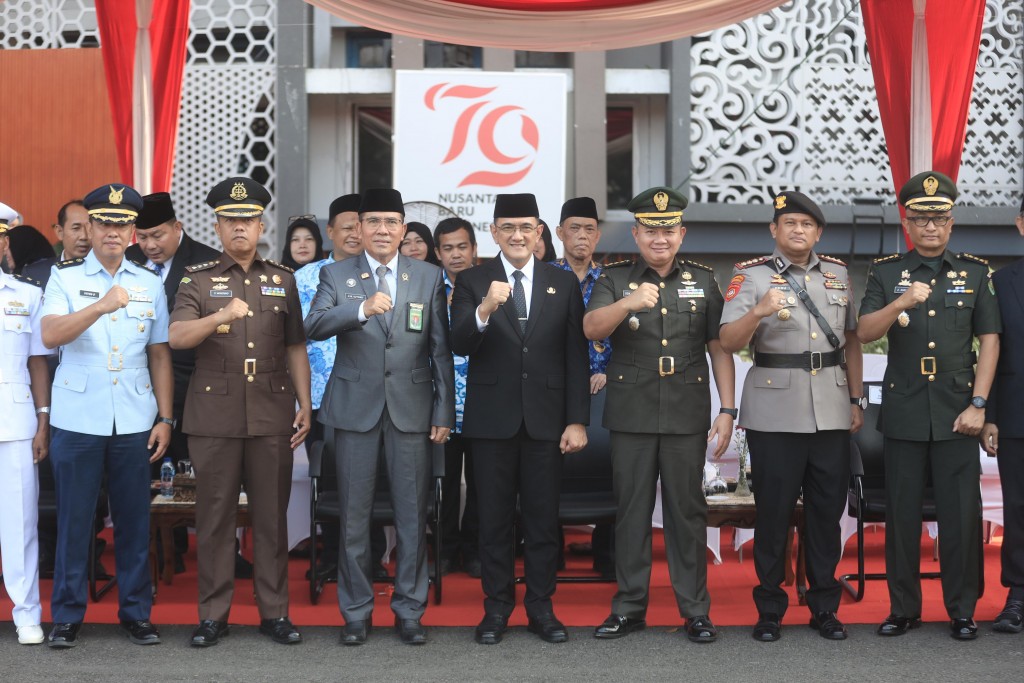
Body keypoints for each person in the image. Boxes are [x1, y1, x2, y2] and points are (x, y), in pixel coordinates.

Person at [584, 186, 733, 644]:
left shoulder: (704, 280)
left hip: (687, 409)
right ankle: (629, 608)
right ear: (636, 234)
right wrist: (627, 303)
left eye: (668, 230)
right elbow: (591, 328)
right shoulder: (614, 279)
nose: (660, 238)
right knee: (631, 511)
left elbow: (719, 348)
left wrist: (728, 409)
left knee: (687, 512)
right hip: (632, 410)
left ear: (681, 234)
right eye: (651, 230)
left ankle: (696, 611)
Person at [305, 188, 454, 646]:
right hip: (355, 409)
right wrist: (359, 309)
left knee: (412, 516)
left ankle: (410, 610)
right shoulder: (335, 273)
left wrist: (444, 410)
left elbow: (439, 349)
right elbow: (313, 325)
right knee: (354, 517)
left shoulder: (428, 275)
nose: (383, 230)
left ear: (403, 228)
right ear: (359, 227)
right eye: (373, 221)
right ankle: (356, 612)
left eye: (392, 222)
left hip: (412, 408)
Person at [169, 177, 312, 648]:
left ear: (261, 225)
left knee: (271, 518)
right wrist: (217, 317)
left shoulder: (282, 279)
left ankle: (275, 613)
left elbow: (295, 346)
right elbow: (177, 338)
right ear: (216, 226)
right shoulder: (197, 278)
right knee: (215, 519)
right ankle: (213, 615)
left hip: (272, 411)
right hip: (214, 415)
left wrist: (306, 403)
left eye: (248, 219)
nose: (239, 228)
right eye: (230, 220)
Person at [858, 171, 1001, 641]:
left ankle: (962, 609)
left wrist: (979, 404)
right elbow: (865, 332)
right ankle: (904, 608)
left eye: (939, 218)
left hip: (959, 410)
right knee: (901, 515)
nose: (931, 227)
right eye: (921, 219)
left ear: (951, 222)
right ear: (907, 223)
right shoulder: (886, 272)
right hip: (904, 410)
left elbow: (990, 340)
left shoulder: (975, 273)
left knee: (961, 514)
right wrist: (901, 300)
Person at [719, 191, 864, 642]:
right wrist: (759, 311)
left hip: (832, 411)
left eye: (807, 224)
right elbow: (728, 341)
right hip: (774, 412)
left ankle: (824, 607)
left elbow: (852, 340)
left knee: (826, 514)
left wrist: (856, 399)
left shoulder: (838, 274)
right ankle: (769, 608)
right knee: (773, 514)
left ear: (818, 232)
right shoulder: (750, 276)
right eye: (789, 223)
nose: (798, 230)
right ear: (774, 229)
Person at [451, 193, 590, 646]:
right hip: (491, 422)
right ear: (493, 232)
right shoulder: (473, 280)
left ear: (539, 233)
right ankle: (496, 608)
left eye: (526, 227)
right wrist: (485, 309)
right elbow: (458, 342)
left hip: (547, 422)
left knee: (542, 520)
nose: (517, 235)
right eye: (507, 227)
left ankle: (541, 608)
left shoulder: (561, 282)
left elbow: (575, 355)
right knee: (492, 521)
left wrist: (577, 419)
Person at [40, 183, 173, 648]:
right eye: (104, 223)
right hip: (78, 416)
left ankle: (136, 613)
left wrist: (166, 417)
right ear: (90, 229)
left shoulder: (149, 282)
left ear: (132, 230)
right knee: (75, 520)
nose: (113, 232)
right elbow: (50, 335)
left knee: (134, 520)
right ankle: (66, 615)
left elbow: (159, 353)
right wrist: (100, 305)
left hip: (134, 417)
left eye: (122, 224)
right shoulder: (63, 277)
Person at [126, 192, 221, 575]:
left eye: (158, 235)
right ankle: (163, 550)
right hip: (138, 384)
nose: (150, 245)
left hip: (194, 383)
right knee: (149, 467)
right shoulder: (129, 261)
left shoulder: (206, 262)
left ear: (177, 228)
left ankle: (220, 551)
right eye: (142, 237)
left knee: (200, 469)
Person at [551, 196, 614, 577]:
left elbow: (629, 335)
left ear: (598, 236)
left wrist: (611, 370)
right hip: (551, 392)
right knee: (549, 472)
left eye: (589, 229)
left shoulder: (612, 280)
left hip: (602, 390)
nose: (582, 236)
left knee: (612, 468)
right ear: (560, 233)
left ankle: (608, 557)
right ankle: (550, 556)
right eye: (574, 228)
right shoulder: (542, 277)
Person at [0, 206, 52, 645]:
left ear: (4, 243)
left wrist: (43, 419)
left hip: (15, 419)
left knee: (20, 522)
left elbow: (38, 362)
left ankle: (26, 612)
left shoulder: (27, 294)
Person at [981, 195, 1024, 634]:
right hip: (1016, 413)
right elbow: (991, 351)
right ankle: (1018, 595)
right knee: (1019, 507)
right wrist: (989, 413)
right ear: (1020, 225)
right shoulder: (1000, 281)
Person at [433, 216, 480, 578]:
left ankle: (475, 550)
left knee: (482, 485)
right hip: (442, 404)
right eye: (448, 248)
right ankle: (445, 549)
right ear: (438, 253)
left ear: (474, 249)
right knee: (444, 483)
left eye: (462, 246)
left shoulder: (490, 285)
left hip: (483, 402)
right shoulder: (428, 287)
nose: (456, 254)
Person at [23, 200, 90, 289]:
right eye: (76, 228)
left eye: (90, 228)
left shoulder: (106, 272)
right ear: (60, 232)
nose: (84, 236)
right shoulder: (34, 274)